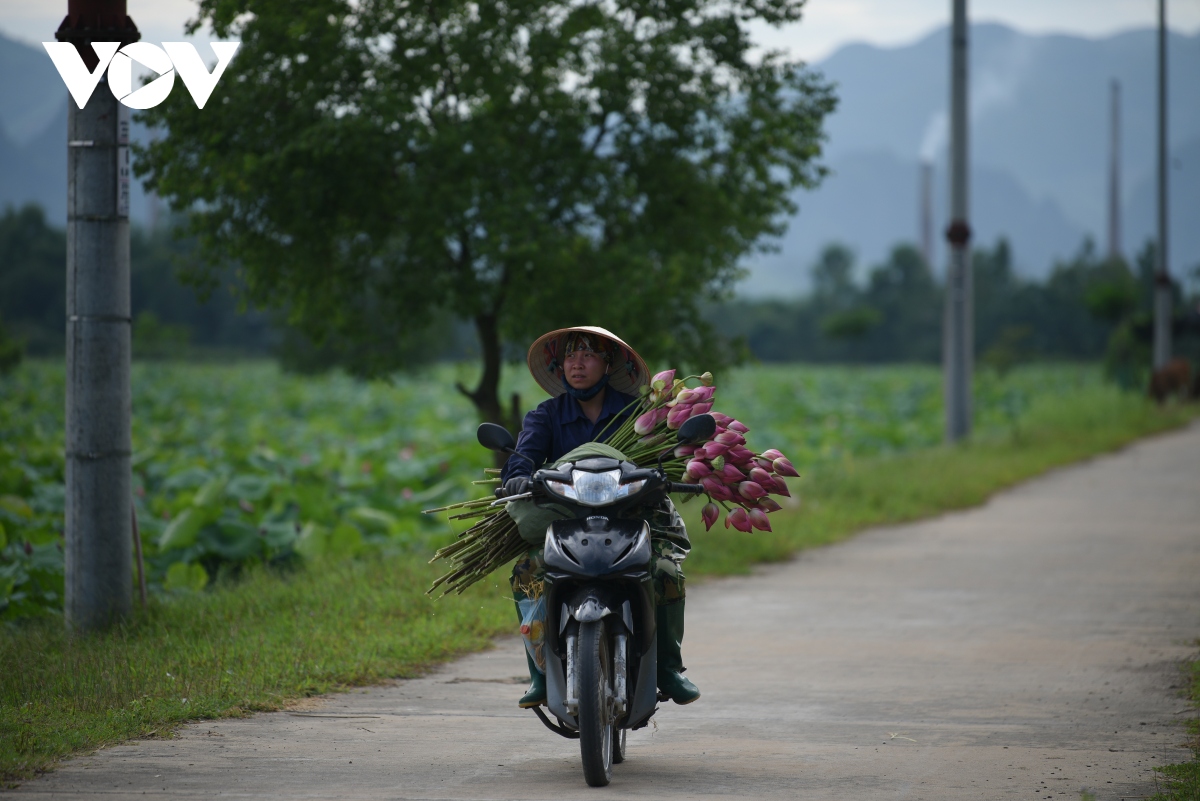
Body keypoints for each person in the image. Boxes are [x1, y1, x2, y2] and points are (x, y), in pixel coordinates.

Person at [500, 326, 700, 709]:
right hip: (566, 522)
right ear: (560, 368)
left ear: (609, 365)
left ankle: (669, 669)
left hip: (630, 517)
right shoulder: (546, 415)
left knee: (665, 573)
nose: (577, 363)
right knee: (528, 571)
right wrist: (517, 477)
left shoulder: (636, 413)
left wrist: (664, 475)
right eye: (570, 357)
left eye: (588, 355)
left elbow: (665, 455)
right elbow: (523, 457)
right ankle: (540, 672)